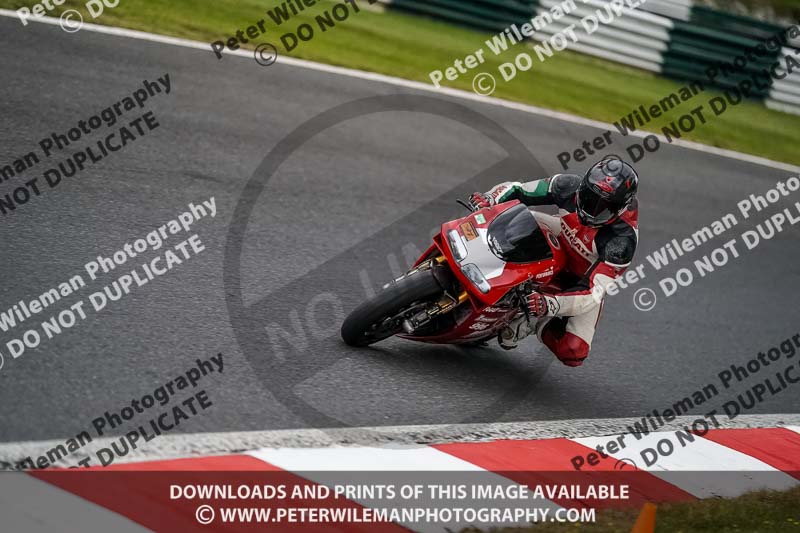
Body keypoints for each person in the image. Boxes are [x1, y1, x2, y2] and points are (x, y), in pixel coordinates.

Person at [468, 155, 639, 367]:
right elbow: (519, 190)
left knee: (573, 351)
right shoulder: (567, 185)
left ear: (621, 208)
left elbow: (592, 293)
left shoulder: (622, 242)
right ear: (583, 185)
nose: (591, 210)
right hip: (561, 234)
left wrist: (549, 305)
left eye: (604, 207)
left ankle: (533, 321)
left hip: (581, 279)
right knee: (508, 218)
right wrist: (490, 199)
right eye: (588, 197)